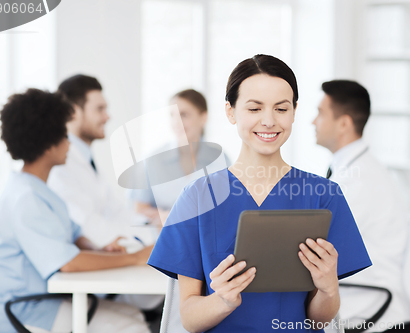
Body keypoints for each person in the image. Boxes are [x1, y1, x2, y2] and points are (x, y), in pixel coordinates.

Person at [148, 55, 372, 333]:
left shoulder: (324, 196)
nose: (268, 121)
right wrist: (223, 301)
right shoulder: (197, 198)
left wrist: (328, 290)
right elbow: (189, 319)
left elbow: (317, 321)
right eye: (254, 109)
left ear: (294, 111)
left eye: (281, 109)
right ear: (230, 112)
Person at [0, 89, 152, 333]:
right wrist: (135, 257)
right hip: (23, 311)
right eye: (63, 135)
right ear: (47, 144)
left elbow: (73, 236)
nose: (69, 143)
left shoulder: (38, 189)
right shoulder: (27, 198)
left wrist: (99, 249)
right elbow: (68, 263)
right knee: (130, 326)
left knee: (133, 314)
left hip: (44, 300)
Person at [48, 74, 164, 314]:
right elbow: (91, 227)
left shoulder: (85, 159)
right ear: (72, 112)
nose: (107, 116)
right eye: (99, 109)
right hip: (99, 278)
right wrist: (143, 243)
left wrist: (153, 225)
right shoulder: (61, 168)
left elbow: (117, 211)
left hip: (116, 266)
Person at [313, 80, 410, 332]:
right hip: (369, 299)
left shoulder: (358, 181)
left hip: (373, 312)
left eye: (321, 113)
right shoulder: (356, 170)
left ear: (344, 123)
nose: (313, 121)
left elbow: (319, 246)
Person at [131, 89, 230, 225]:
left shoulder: (220, 159)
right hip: (166, 237)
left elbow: (229, 207)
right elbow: (140, 208)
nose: (177, 122)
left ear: (203, 117)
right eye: (173, 115)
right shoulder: (153, 160)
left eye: (184, 115)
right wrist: (166, 216)